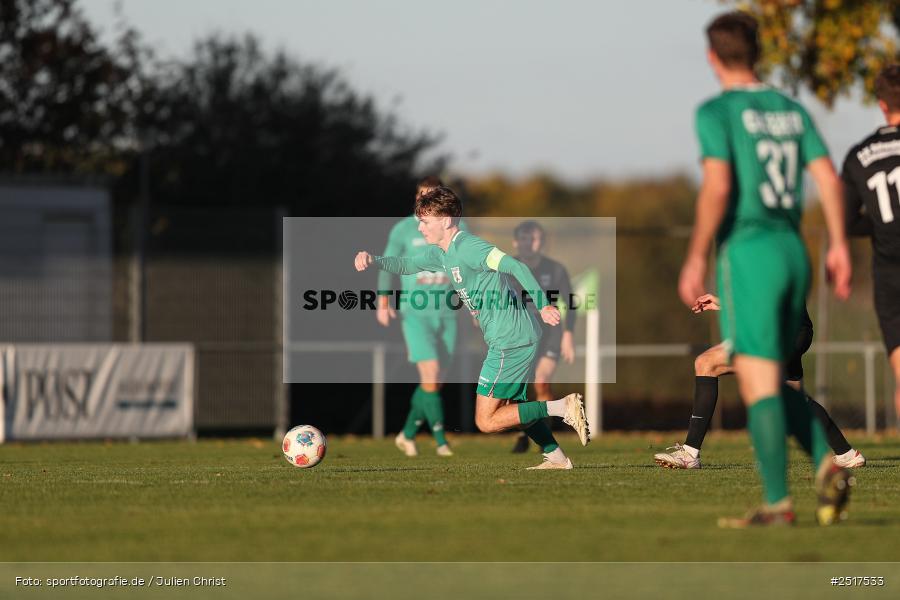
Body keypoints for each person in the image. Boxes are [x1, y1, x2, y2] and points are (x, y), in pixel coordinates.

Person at [677, 11, 854, 527]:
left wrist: (695, 254)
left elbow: (717, 186)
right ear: (758, 52)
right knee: (769, 382)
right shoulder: (789, 109)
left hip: (749, 251)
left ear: (713, 57)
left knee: (759, 388)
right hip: (793, 251)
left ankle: (781, 501)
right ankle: (827, 466)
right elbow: (825, 175)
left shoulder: (716, 111)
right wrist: (839, 243)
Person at [356, 186, 589, 469]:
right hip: (511, 337)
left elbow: (516, 268)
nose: (419, 227)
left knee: (486, 420)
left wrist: (543, 305)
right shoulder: (442, 253)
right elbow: (407, 264)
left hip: (510, 339)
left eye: (425, 221)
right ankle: (556, 458)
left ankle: (563, 407)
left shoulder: (469, 246)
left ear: (446, 220)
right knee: (512, 407)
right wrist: (373, 260)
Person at [654, 293, 865, 469]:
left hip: (778, 334)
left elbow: (767, 298)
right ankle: (846, 453)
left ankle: (690, 452)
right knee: (794, 400)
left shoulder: (762, 248)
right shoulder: (776, 247)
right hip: (789, 332)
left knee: (706, 363)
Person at [379, 176, 456, 457]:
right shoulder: (403, 229)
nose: (428, 199)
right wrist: (383, 299)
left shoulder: (455, 225)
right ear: (416, 198)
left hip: (448, 312)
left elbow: (472, 264)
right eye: (424, 195)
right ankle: (440, 441)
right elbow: (388, 264)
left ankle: (407, 434)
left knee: (435, 381)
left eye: (434, 195)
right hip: (415, 312)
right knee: (431, 372)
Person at [841, 64, 900, 427]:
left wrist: (879, 226)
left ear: (881, 104)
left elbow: (846, 221)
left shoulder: (858, 155)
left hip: (889, 269)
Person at [507, 221, 577, 453]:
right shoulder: (508, 268)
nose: (529, 243)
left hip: (549, 335)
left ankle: (546, 439)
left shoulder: (556, 269)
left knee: (541, 381)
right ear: (516, 242)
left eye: (534, 239)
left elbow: (571, 303)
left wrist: (568, 333)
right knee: (520, 388)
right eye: (524, 238)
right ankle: (523, 432)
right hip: (518, 334)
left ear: (542, 243)